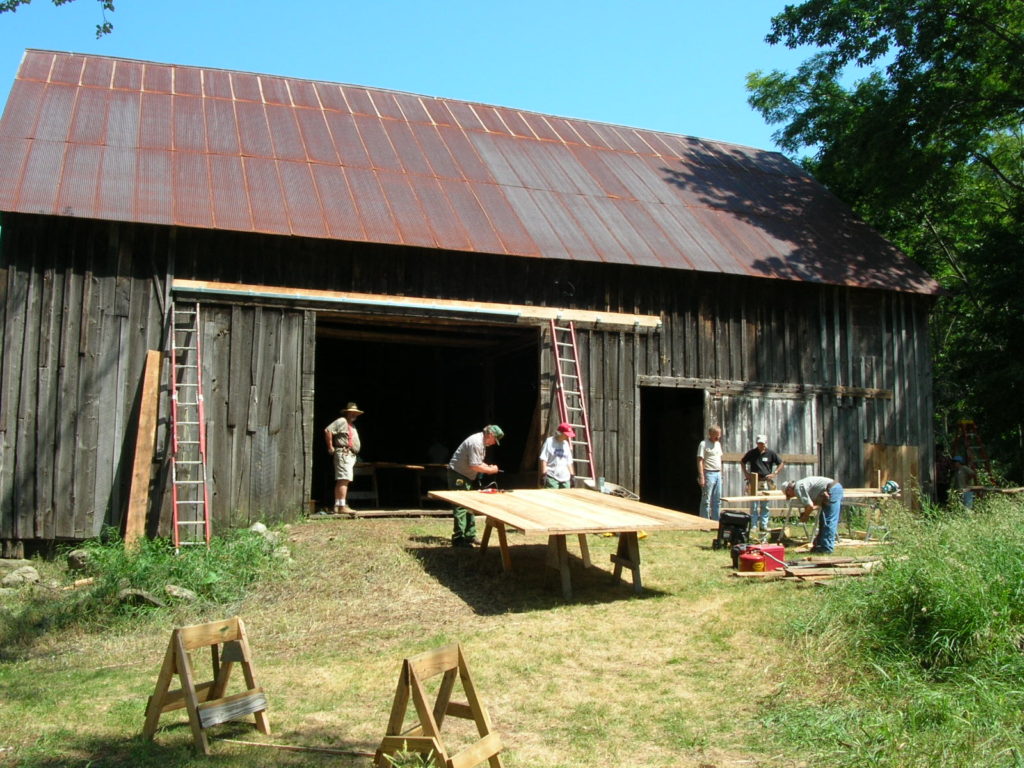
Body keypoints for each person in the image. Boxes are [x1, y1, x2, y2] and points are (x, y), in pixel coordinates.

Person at [446, 425, 504, 546]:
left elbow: (477, 462)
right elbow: (474, 466)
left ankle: (470, 535)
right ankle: (458, 538)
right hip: (458, 475)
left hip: (466, 476)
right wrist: (491, 470)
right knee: (460, 506)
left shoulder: (481, 443)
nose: (494, 443)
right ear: (490, 435)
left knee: (469, 506)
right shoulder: (476, 442)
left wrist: (488, 467)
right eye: (495, 440)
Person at [780, 476, 844, 554]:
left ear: (789, 489)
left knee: (829, 521)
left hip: (832, 489)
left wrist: (805, 516)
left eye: (789, 495)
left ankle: (827, 548)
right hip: (830, 490)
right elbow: (813, 505)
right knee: (823, 521)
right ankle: (820, 545)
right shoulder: (801, 486)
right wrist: (806, 513)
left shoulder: (797, 488)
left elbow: (810, 506)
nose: (792, 497)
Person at [740, 434, 785, 534]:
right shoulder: (752, 453)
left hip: (766, 481)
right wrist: (746, 473)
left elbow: (781, 463)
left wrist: (775, 473)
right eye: (759, 443)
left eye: (763, 443)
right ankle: (754, 525)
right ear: (757, 443)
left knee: (765, 504)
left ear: (766, 443)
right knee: (754, 504)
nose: (761, 445)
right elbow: (742, 462)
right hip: (754, 480)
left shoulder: (771, 453)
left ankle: (764, 525)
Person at [323, 402, 363, 514]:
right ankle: (342, 506)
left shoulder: (352, 425)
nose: (354, 414)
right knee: (343, 479)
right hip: (343, 454)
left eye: (355, 413)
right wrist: (330, 446)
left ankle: (338, 505)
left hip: (350, 455)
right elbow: (328, 430)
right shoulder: (342, 421)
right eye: (351, 412)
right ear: (347, 413)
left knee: (344, 479)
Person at [697, 425, 723, 521]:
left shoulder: (718, 444)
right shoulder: (703, 444)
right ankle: (704, 521)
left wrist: (721, 473)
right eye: (716, 435)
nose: (718, 437)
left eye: (719, 435)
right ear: (710, 434)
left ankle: (716, 522)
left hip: (718, 474)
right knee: (706, 500)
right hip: (708, 473)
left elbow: (719, 458)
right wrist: (701, 476)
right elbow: (700, 460)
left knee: (717, 500)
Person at [539, 422, 576, 488]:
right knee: (553, 497)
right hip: (552, 477)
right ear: (560, 433)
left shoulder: (566, 444)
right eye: (566, 434)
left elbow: (569, 462)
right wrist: (543, 474)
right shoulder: (549, 441)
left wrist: (572, 476)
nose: (568, 436)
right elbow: (544, 459)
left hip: (565, 478)